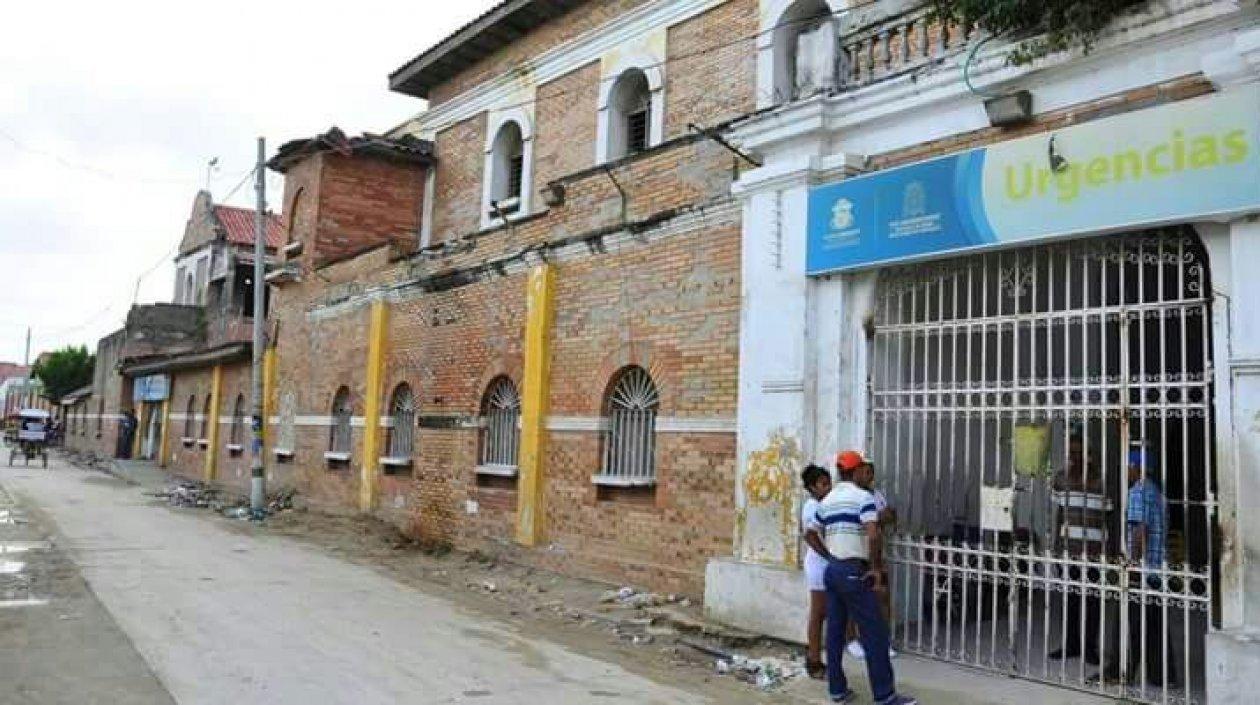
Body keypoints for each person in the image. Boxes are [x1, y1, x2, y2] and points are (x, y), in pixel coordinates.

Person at [806, 450, 917, 705]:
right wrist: (875, 568)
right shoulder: (863, 498)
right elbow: (873, 533)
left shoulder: (827, 500)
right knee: (874, 632)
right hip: (854, 570)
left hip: (833, 571)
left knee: (835, 633)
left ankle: (837, 690)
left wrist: (830, 555)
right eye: (863, 469)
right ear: (855, 471)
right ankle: (885, 695)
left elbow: (810, 533)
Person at [1099, 442, 1175, 687]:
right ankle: (1163, 676)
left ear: (1136, 467)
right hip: (1158, 568)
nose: (1126, 471)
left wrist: (1132, 564)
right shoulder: (1158, 493)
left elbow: (1140, 529)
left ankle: (1119, 672)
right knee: (1155, 625)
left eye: (1128, 466)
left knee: (1128, 623)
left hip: (1142, 569)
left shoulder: (1137, 492)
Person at [1049, 431, 1109, 665]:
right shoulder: (1060, 479)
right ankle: (1071, 644)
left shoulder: (1101, 481)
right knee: (1070, 600)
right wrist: (1056, 546)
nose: (1074, 457)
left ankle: (1090, 647)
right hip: (1068, 549)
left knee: (1092, 601)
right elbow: (1059, 514)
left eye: (1079, 453)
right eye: (1071, 453)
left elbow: (1109, 516)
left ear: (1089, 456)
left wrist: (1110, 550)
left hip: (1094, 551)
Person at [841, 453, 897, 661]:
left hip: (877, 553)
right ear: (856, 472)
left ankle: (883, 640)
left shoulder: (877, 495)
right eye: (865, 472)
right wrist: (876, 517)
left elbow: (890, 515)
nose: (869, 476)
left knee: (882, 597)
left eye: (871, 472)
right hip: (857, 553)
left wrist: (877, 517)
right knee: (853, 600)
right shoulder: (852, 496)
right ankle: (852, 640)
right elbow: (867, 520)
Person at [800, 463, 833, 679]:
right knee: (818, 613)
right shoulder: (812, 507)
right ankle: (814, 659)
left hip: (825, 564)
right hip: (818, 564)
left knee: (826, 612)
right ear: (812, 487)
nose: (828, 488)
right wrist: (828, 556)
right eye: (823, 484)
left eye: (829, 483)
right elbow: (810, 536)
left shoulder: (823, 504)